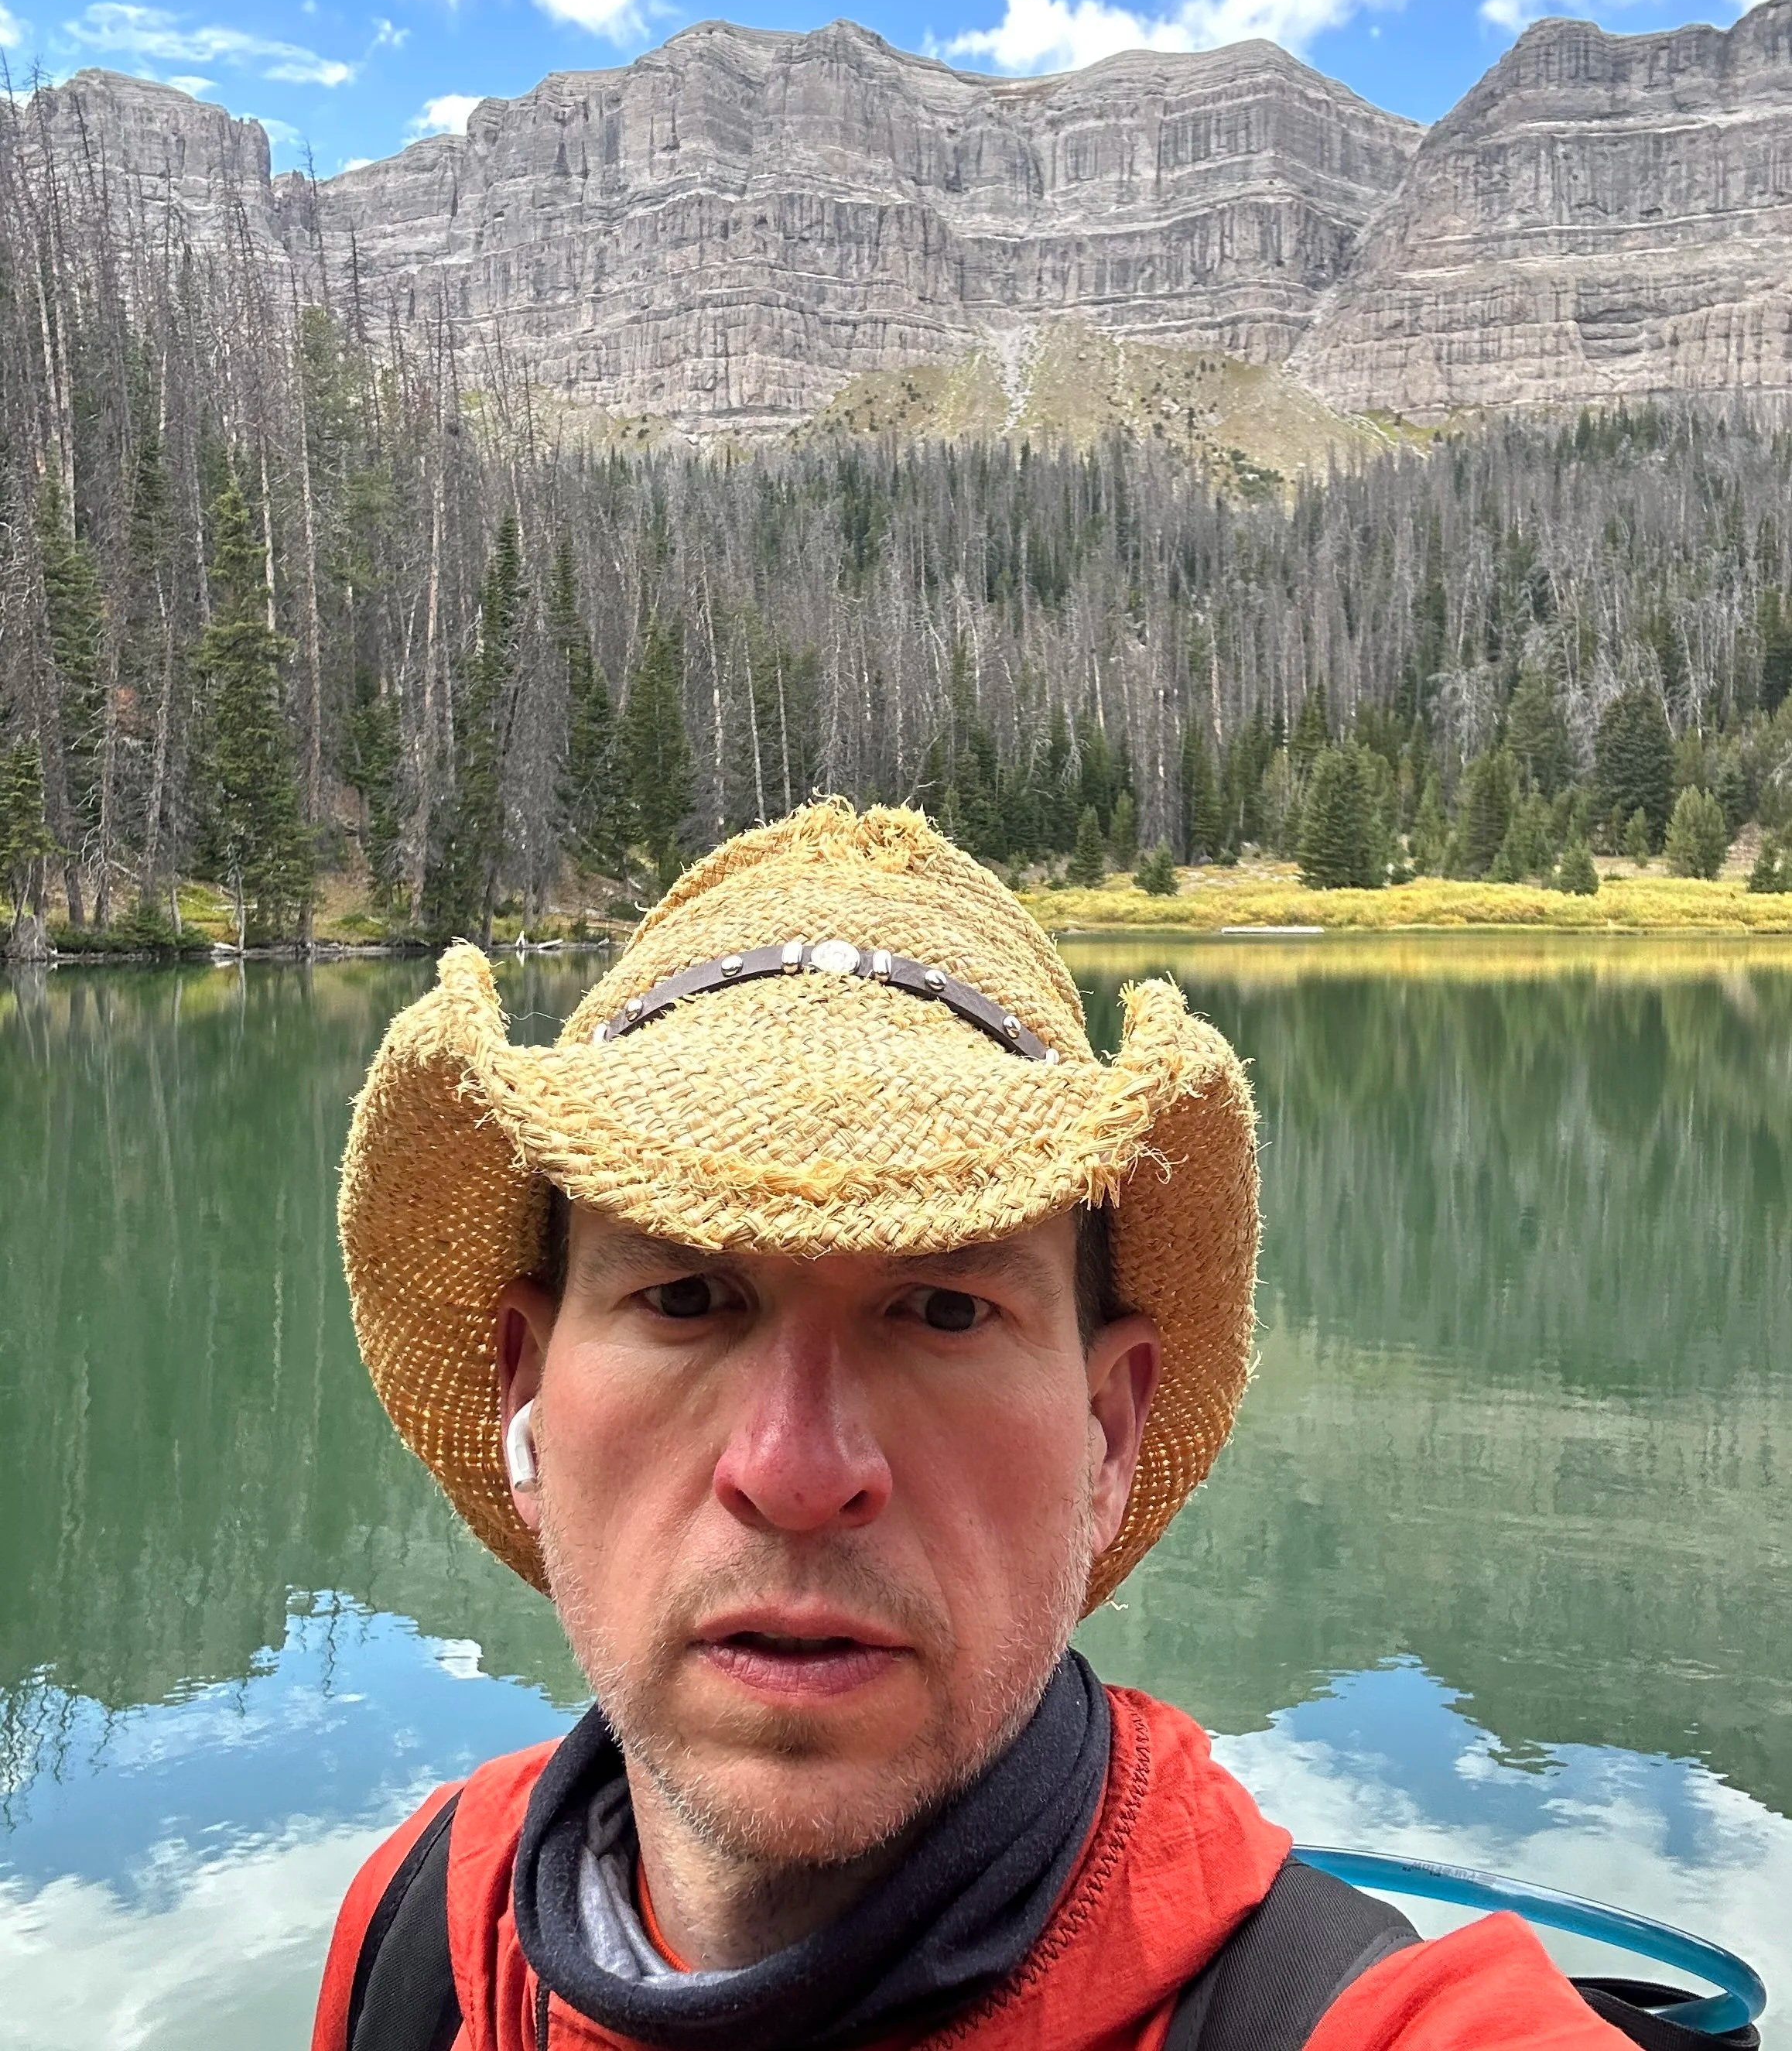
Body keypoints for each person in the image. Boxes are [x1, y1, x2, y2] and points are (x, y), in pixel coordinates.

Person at [315, 801, 1627, 2051]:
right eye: (687, 1296)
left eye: (942, 1307)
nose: (795, 1471)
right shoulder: (422, 1926)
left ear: (1109, 1435)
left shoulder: (1357, 2020)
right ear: (521, 1393)